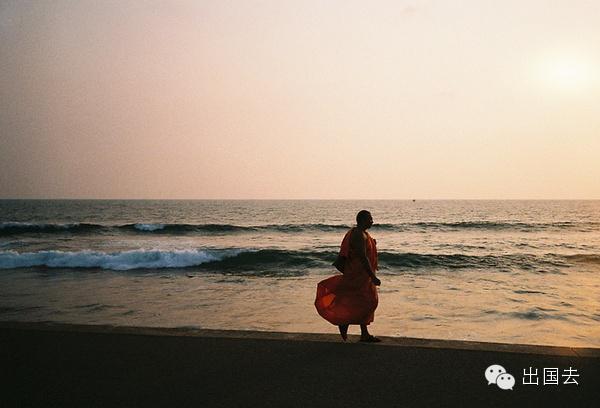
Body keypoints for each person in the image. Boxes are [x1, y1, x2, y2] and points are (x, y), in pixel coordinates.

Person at [314, 210, 381, 342]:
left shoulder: (364, 234)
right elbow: (363, 257)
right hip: (357, 274)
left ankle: (364, 333)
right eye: (370, 219)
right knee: (368, 301)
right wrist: (372, 276)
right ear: (362, 220)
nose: (372, 221)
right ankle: (344, 321)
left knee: (362, 301)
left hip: (363, 275)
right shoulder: (358, 235)